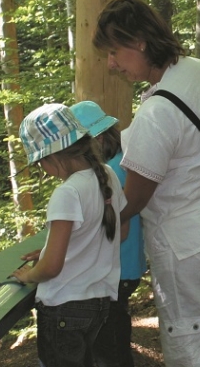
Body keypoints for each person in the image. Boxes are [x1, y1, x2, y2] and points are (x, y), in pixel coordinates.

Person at [93, 0, 200, 367]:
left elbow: (132, 201)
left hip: (188, 245)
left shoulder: (157, 112)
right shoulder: (199, 70)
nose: (112, 64)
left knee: (193, 344)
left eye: (115, 52)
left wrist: (81, 226)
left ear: (140, 43)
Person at [12, 103, 124, 367]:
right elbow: (109, 233)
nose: (42, 169)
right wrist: (50, 249)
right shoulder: (107, 176)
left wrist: (28, 275)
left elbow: (51, 268)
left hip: (63, 307)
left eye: (40, 162)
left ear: (54, 157)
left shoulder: (67, 193)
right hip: (98, 303)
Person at [70, 100, 147, 367]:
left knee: (109, 343)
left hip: (117, 269)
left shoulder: (111, 171)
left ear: (99, 137)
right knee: (113, 334)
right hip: (126, 266)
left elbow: (116, 228)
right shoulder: (120, 162)